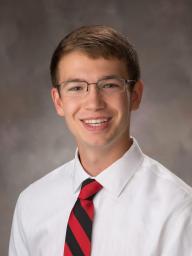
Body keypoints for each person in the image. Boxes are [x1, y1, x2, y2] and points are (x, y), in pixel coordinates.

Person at [9, 25, 192, 256]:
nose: (94, 103)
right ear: (58, 101)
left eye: (109, 85)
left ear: (135, 95)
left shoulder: (178, 210)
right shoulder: (31, 204)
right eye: (76, 87)